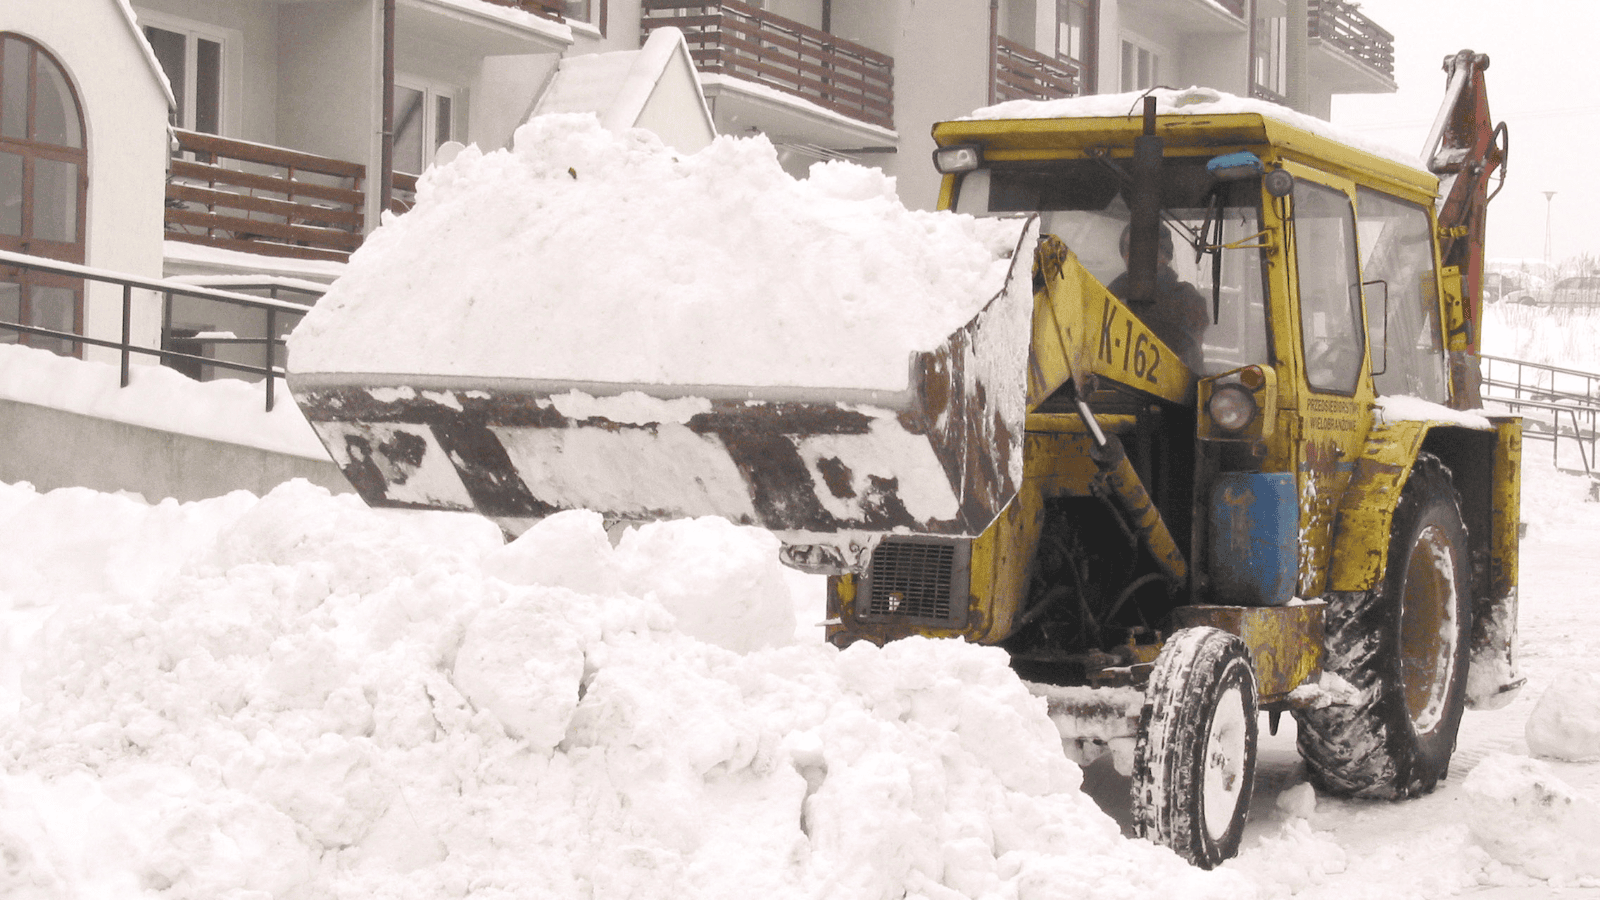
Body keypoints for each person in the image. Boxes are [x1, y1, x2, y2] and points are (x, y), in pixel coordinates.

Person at [1106, 224, 1209, 372]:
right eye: (1127, 248)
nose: (1132, 254)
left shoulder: (1186, 297)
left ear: (1164, 256)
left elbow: (1190, 352)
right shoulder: (1112, 295)